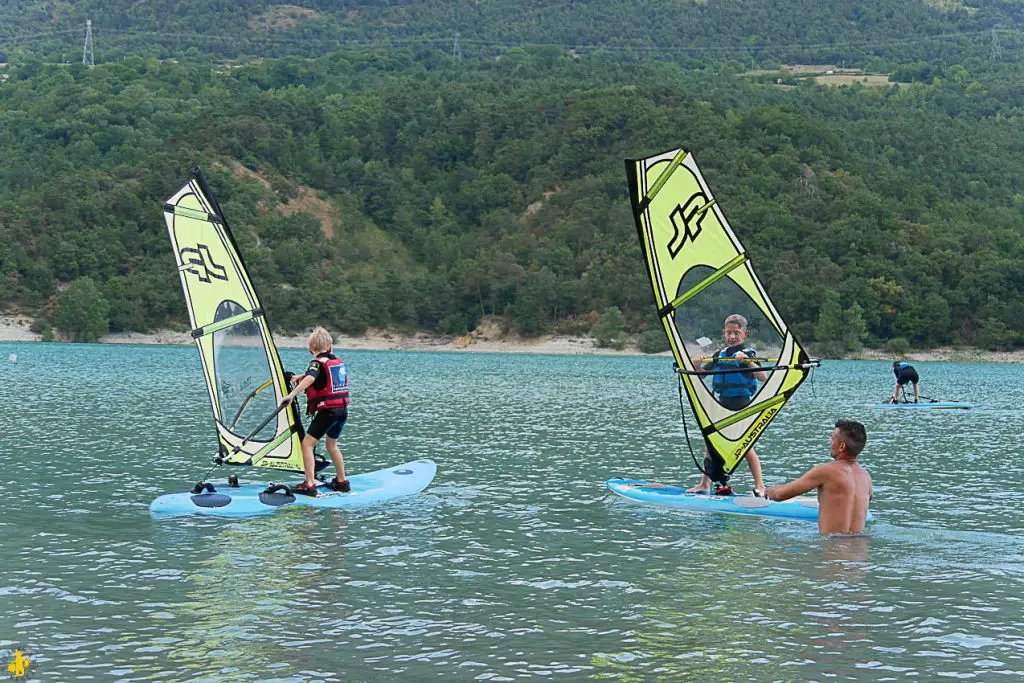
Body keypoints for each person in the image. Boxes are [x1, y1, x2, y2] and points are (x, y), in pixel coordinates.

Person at [686, 314, 768, 496]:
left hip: (742, 405)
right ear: (724, 332)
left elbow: (763, 378)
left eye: (736, 333)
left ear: (744, 334)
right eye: (729, 333)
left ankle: (760, 486)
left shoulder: (748, 354)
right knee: (710, 443)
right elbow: (701, 376)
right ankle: (704, 484)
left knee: (746, 446)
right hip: (721, 403)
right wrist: (697, 365)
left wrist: (748, 362)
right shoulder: (719, 355)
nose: (732, 337)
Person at [764, 419, 873, 534]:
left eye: (832, 438)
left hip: (832, 547)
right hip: (860, 547)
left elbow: (780, 495)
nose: (830, 442)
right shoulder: (866, 476)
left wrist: (768, 491)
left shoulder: (826, 471)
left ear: (842, 447)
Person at [280, 326, 351, 495]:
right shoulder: (336, 362)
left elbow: (313, 376)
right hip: (341, 410)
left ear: (310, 350)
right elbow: (320, 376)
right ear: (330, 347)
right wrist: (300, 376)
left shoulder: (316, 363)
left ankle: (309, 484)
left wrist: (291, 395)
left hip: (328, 413)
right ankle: (342, 481)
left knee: (307, 444)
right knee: (332, 444)